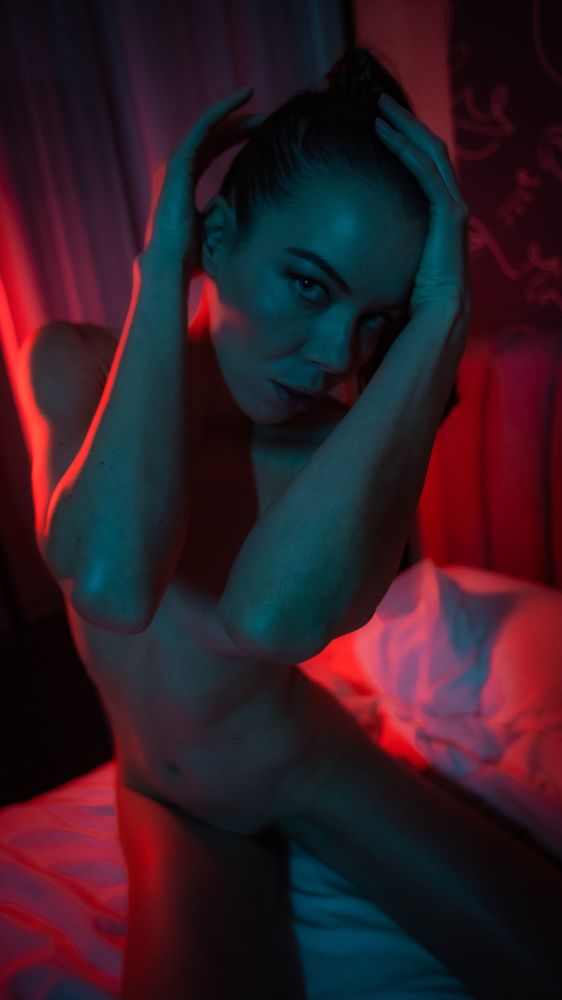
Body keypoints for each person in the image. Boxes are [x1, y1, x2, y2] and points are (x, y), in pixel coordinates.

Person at [19, 46, 562, 999]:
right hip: (160, 793)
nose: (335, 355)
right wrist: (162, 271)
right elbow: (111, 581)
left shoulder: (337, 454)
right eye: (310, 285)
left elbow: (270, 619)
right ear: (216, 237)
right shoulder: (70, 366)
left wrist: (441, 313)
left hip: (301, 765)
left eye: (376, 319)